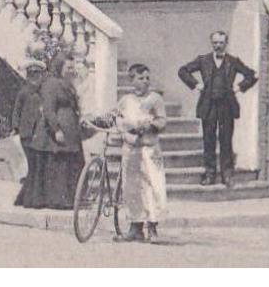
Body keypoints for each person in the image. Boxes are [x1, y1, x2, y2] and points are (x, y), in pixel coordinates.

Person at [177, 30, 258, 186]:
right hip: (208, 106)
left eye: (221, 42)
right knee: (209, 140)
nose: (218, 46)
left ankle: (227, 175)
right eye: (215, 43)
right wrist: (196, 84)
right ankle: (209, 174)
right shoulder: (203, 60)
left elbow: (252, 75)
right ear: (211, 43)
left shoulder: (233, 61)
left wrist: (239, 87)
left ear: (226, 43)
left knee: (226, 140)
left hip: (227, 106)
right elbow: (183, 71)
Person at [110, 63, 169, 242]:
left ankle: (152, 228)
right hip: (130, 149)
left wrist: (149, 126)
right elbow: (116, 116)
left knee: (152, 187)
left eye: (147, 78)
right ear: (131, 80)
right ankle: (135, 227)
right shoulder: (126, 100)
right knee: (131, 188)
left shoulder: (155, 99)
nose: (145, 82)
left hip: (149, 148)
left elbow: (162, 121)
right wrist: (118, 126)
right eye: (140, 78)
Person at [28, 51, 85, 208]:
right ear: (59, 66)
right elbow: (48, 110)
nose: (72, 71)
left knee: (68, 166)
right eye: (68, 67)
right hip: (54, 134)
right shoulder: (51, 84)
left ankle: (69, 199)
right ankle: (57, 201)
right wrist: (56, 129)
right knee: (58, 166)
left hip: (71, 133)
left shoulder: (68, 84)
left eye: (73, 68)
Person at [11, 55, 48, 208]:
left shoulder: (44, 93)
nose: (34, 78)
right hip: (26, 134)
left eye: (37, 75)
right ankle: (28, 199)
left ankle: (27, 199)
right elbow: (16, 110)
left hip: (39, 134)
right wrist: (15, 127)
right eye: (31, 75)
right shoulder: (23, 92)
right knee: (33, 166)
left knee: (36, 166)